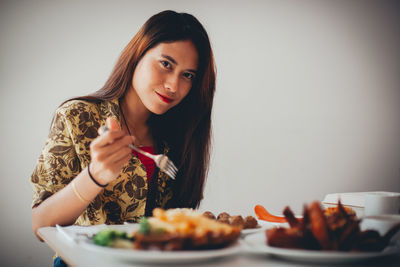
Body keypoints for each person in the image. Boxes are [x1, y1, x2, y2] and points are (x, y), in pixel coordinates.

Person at [30, 10, 216, 264]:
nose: (174, 85)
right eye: (166, 64)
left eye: (188, 75)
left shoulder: (180, 134)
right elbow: (41, 224)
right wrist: (95, 176)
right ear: (138, 54)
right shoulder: (77, 116)